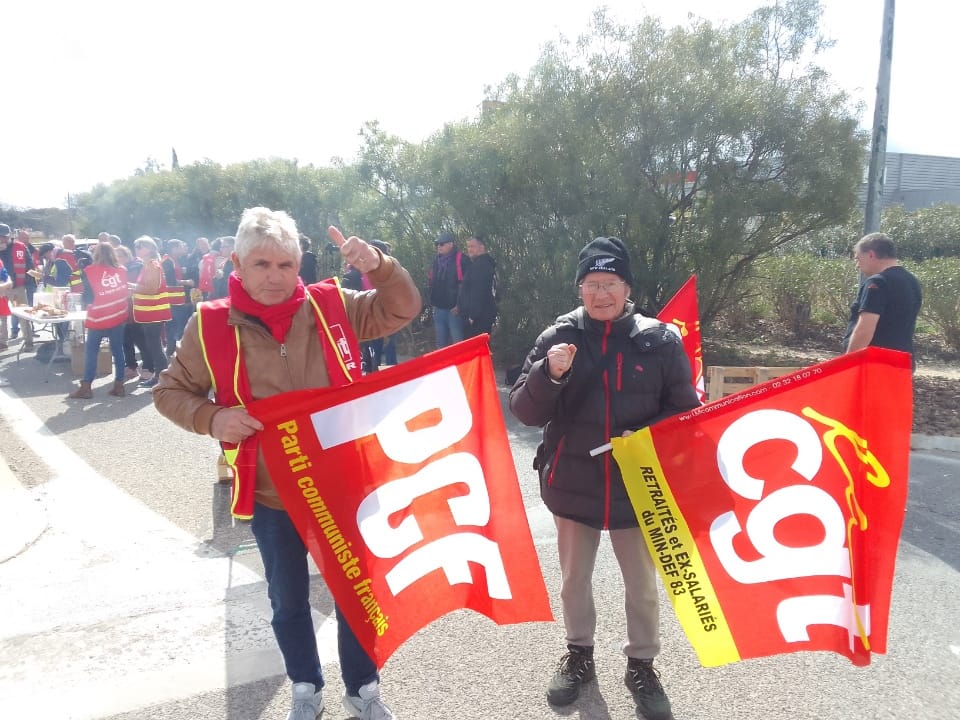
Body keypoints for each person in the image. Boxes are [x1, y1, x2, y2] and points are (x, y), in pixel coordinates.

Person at [153, 207, 421, 720]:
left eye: (284, 265)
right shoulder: (208, 324)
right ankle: (305, 685)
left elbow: (402, 308)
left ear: (299, 265)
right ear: (237, 262)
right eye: (261, 264)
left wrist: (381, 266)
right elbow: (169, 392)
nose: (273, 276)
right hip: (273, 493)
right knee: (287, 600)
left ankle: (363, 688)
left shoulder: (331, 305)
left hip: (344, 487)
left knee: (356, 595)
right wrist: (211, 418)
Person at [508, 236, 699, 719]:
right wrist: (548, 375)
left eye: (610, 283)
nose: (601, 294)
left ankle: (642, 664)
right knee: (575, 578)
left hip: (639, 484)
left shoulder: (660, 339)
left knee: (642, 586)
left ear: (627, 287)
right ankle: (579, 654)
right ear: (580, 288)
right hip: (574, 480)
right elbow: (524, 411)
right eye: (591, 284)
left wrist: (645, 436)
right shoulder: (558, 337)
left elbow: (685, 415)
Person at [843, 232, 923, 366]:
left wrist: (847, 364)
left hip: (875, 364)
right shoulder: (911, 281)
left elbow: (864, 330)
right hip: (902, 363)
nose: (857, 265)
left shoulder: (877, 282)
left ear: (870, 254)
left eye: (857, 258)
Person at [68, 243, 130, 399]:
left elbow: (88, 297)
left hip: (98, 318)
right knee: (118, 351)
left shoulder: (89, 271)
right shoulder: (122, 270)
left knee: (91, 352)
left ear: (96, 254)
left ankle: (87, 387)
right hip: (118, 315)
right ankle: (119, 385)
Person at [131, 236, 172, 387]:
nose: (136, 249)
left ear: (148, 248)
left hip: (154, 312)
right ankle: (159, 376)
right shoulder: (148, 265)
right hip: (150, 313)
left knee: (155, 346)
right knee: (154, 345)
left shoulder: (153, 266)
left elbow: (152, 288)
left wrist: (132, 287)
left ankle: (161, 377)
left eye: (139, 246)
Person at [427, 232, 469, 348]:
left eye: (441, 244)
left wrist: (460, 305)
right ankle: (444, 366)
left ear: (451, 244)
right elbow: (431, 281)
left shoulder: (462, 260)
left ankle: (461, 366)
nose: (438, 246)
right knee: (441, 345)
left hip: (454, 310)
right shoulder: (436, 260)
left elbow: (467, 286)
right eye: (437, 244)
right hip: (439, 308)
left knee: (458, 343)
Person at [0, 223, 36, 351]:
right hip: (1, 290)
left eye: (3, 237)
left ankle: (29, 341)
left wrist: (28, 282)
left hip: (17, 288)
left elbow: (30, 266)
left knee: (23, 314)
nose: (1, 240)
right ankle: (3, 343)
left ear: (9, 236)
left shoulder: (19, 247)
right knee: (1, 317)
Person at [458, 234, 498, 338]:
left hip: (478, 319)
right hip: (482, 315)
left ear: (481, 247)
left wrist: (472, 317)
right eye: (468, 246)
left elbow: (479, 293)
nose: (469, 249)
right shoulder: (484, 264)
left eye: (472, 246)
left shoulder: (480, 266)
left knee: (476, 350)